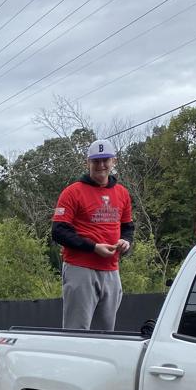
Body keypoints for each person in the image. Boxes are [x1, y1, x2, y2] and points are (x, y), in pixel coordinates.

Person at [52, 139, 135, 331]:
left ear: (114, 161)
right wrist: (93, 247)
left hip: (111, 270)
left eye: (106, 160)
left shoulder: (122, 193)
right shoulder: (72, 192)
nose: (101, 165)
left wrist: (126, 241)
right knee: (77, 332)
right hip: (81, 269)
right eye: (96, 161)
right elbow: (58, 231)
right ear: (87, 163)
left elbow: (128, 227)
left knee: (106, 333)